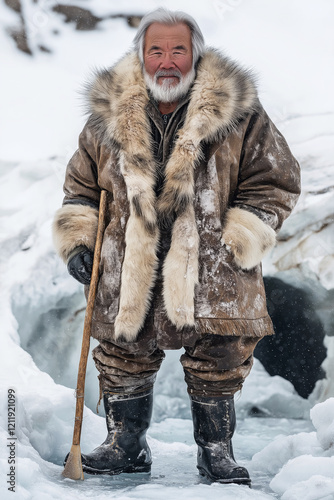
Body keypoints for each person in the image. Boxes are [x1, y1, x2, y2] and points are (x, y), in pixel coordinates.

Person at [53, 8, 300, 486]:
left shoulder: (240, 113)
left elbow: (275, 179)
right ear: (141, 56)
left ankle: (216, 452)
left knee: (222, 351)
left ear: (195, 54)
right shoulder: (106, 116)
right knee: (123, 348)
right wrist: (80, 240)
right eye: (156, 50)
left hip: (213, 261)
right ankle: (125, 444)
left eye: (178, 50)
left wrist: (243, 232)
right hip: (129, 261)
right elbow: (81, 188)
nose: (167, 61)